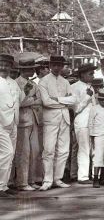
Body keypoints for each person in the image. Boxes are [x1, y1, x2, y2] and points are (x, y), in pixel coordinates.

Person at [38, 54, 74, 191]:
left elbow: (74, 100)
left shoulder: (65, 82)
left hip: (64, 118)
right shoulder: (43, 81)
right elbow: (46, 102)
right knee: (48, 150)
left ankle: (57, 178)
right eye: (54, 65)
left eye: (60, 65)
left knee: (64, 150)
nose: (57, 68)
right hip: (50, 119)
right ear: (50, 66)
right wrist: (64, 102)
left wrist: (58, 99)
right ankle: (47, 180)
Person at [14, 58, 42, 191]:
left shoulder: (33, 83)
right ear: (22, 70)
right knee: (23, 153)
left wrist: (31, 100)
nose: (32, 71)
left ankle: (32, 179)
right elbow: (20, 103)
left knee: (35, 151)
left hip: (34, 119)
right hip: (22, 121)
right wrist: (32, 99)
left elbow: (40, 100)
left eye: (32, 68)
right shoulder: (16, 84)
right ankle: (22, 182)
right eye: (29, 69)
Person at [70, 63, 96, 185]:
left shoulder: (91, 87)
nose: (93, 76)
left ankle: (80, 174)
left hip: (91, 122)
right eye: (90, 73)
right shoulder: (74, 87)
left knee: (90, 149)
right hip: (81, 121)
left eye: (93, 73)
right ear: (82, 75)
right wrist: (87, 97)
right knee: (83, 149)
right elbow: (76, 108)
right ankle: (83, 176)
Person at [0, 53, 21, 198]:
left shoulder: (13, 82)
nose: (3, 67)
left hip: (13, 122)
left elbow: (21, 100)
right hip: (0, 123)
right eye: (1, 64)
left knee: (10, 154)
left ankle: (4, 185)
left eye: (6, 65)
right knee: (6, 153)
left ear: (10, 67)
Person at [88, 88, 104, 188]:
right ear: (98, 99)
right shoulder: (94, 109)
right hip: (98, 134)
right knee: (98, 156)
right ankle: (96, 179)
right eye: (102, 99)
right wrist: (91, 136)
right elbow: (90, 123)